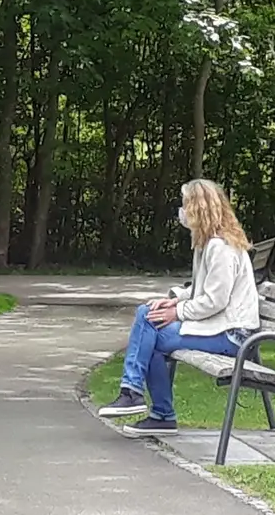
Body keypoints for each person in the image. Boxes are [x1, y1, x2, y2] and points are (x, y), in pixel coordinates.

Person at [98, 179, 262, 437]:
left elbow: (215, 300)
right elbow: (202, 288)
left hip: (234, 335)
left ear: (199, 209)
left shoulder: (220, 247)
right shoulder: (208, 243)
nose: (182, 212)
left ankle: (144, 401)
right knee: (147, 318)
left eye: (186, 205)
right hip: (220, 327)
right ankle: (142, 401)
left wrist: (178, 312)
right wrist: (175, 299)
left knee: (149, 335)